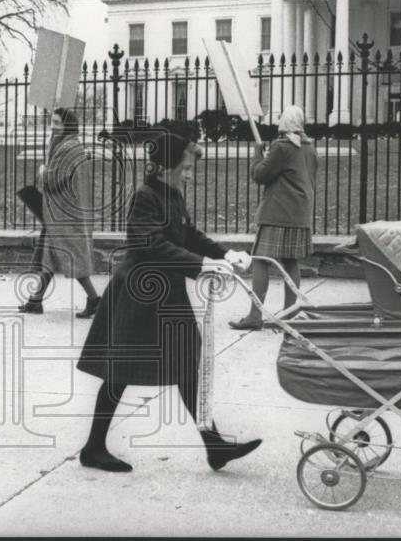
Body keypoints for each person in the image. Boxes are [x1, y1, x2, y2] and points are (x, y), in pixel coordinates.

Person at [75, 130, 260, 472]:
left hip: (164, 293)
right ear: (164, 167)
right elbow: (151, 245)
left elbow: (188, 234)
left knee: (185, 363)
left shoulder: (171, 194)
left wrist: (225, 253)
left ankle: (213, 445)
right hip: (139, 294)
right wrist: (202, 264)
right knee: (120, 372)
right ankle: (94, 447)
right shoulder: (146, 196)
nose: (190, 175)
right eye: (186, 168)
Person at [230, 105, 319, 331]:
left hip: (279, 212)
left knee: (260, 259)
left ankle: (254, 315)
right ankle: (290, 315)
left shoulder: (282, 147)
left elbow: (260, 175)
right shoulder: (310, 147)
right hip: (300, 212)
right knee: (291, 261)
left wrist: (258, 154)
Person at [18, 108, 100, 318]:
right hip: (63, 212)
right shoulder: (71, 145)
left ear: (67, 126)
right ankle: (35, 301)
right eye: (51, 122)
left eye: (57, 123)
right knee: (51, 256)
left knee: (71, 258)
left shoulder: (66, 148)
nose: (52, 126)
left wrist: (42, 171)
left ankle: (94, 299)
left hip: (64, 215)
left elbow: (52, 180)